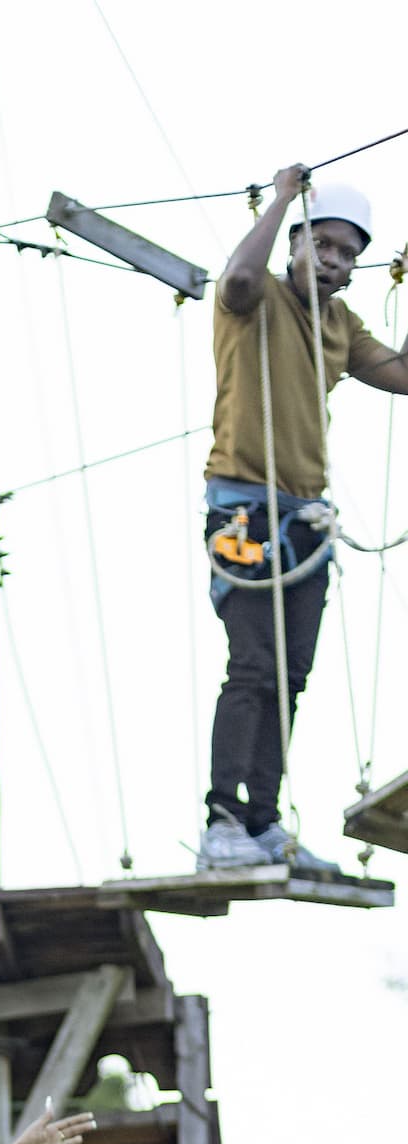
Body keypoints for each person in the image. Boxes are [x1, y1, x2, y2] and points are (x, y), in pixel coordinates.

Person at [199, 166, 408, 878]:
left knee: (290, 677)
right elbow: (234, 279)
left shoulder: (340, 325)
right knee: (253, 666)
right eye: (323, 246)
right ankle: (223, 820)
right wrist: (285, 197)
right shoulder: (250, 301)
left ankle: (262, 823)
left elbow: (403, 376)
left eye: (348, 254)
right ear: (295, 245)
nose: (335, 262)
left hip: (307, 517)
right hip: (243, 508)